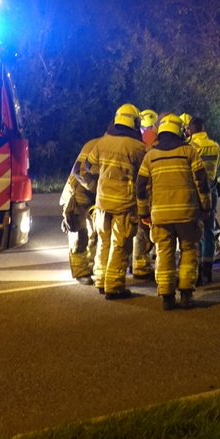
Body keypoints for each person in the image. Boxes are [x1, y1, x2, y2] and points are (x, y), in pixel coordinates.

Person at [136, 116, 213, 310]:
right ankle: (186, 294)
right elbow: (201, 182)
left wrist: (144, 212)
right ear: (179, 131)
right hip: (187, 213)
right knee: (189, 251)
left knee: (164, 253)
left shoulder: (150, 156)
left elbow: (141, 187)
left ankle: (167, 297)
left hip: (160, 216)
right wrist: (205, 206)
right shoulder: (189, 152)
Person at [77, 103, 146, 299]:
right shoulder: (138, 147)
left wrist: (106, 175)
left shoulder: (103, 143)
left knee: (104, 242)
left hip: (102, 202)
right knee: (119, 244)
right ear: (133, 121)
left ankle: (101, 279)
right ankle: (114, 286)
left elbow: (88, 166)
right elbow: (144, 175)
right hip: (124, 204)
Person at [187, 116, 220, 283]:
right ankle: (208, 271)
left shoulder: (191, 147)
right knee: (209, 229)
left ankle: (197, 271)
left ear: (191, 129)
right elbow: (216, 170)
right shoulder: (215, 146)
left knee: (195, 231)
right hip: (212, 190)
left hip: (196, 192)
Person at [60, 138, 99, 285]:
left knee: (95, 233)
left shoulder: (102, 145)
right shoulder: (96, 146)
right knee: (79, 235)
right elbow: (78, 171)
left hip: (92, 198)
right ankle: (81, 272)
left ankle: (93, 266)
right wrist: (96, 187)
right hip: (77, 196)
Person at [131, 108, 161, 280]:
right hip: (150, 192)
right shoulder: (154, 140)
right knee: (146, 230)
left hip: (135, 191)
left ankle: (137, 263)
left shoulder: (135, 140)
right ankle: (142, 265)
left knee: (138, 230)